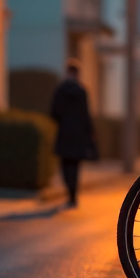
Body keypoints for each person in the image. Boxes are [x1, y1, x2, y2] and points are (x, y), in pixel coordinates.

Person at [50, 59, 97, 207]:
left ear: (67, 73)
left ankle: (68, 188)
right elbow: (86, 114)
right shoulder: (82, 92)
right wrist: (90, 132)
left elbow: (53, 112)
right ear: (77, 74)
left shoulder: (60, 91)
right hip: (78, 134)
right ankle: (73, 195)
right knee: (75, 166)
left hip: (64, 132)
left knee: (65, 164)